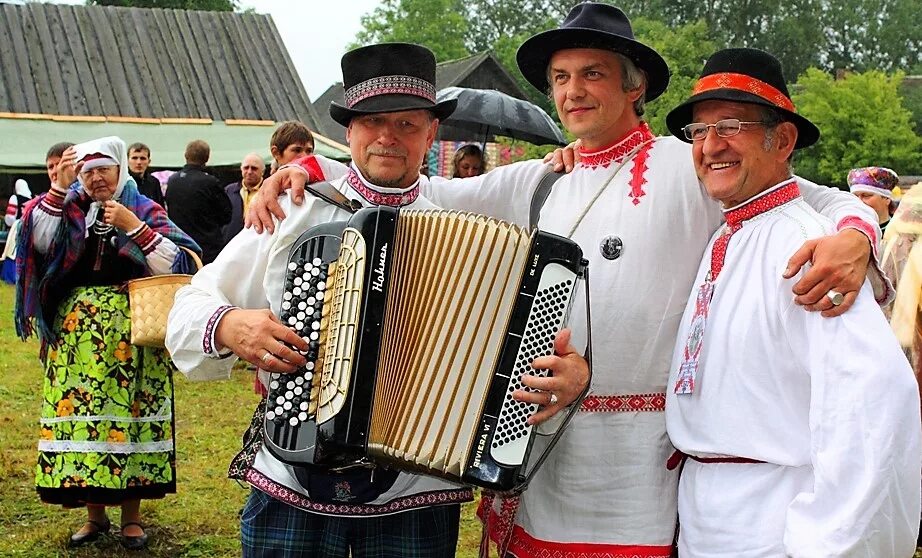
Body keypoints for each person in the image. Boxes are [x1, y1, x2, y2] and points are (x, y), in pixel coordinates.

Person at [248, 5, 886, 556]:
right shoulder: (533, 181)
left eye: (591, 74)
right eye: (560, 78)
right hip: (537, 451)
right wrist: (305, 173)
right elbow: (413, 187)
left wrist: (859, 232)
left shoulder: (685, 162)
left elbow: (802, 195)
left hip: (636, 463)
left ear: (634, 88)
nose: (573, 90)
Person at [167, 42, 587, 558]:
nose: (388, 137)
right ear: (349, 132)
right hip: (292, 484)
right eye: (372, 122)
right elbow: (190, 303)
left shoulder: (473, 237)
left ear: (432, 134)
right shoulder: (295, 210)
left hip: (419, 492)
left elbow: (520, 350)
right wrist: (231, 325)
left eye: (408, 124)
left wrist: (560, 372)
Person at [663, 47, 921, 556]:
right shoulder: (726, 232)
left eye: (730, 126)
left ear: (782, 140)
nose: (710, 146)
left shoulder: (807, 246)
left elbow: (876, 404)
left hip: (774, 522)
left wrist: (825, 540)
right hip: (702, 513)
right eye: (699, 132)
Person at [13, 136, 200, 550]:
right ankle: (93, 516)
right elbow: (37, 243)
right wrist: (59, 189)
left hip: (132, 334)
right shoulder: (70, 209)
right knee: (86, 421)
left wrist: (134, 229)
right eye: (88, 170)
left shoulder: (143, 208)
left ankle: (131, 518)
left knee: (129, 419)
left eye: (104, 169)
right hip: (77, 340)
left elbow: (184, 261)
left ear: (119, 169)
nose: (96, 178)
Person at [166, 139, 231, 264]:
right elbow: (226, 215)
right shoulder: (210, 182)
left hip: (180, 246)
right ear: (207, 158)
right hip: (208, 249)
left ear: (185, 155)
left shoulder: (172, 180)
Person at [223, 153, 265, 245]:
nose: (249, 172)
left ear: (262, 171)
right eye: (246, 168)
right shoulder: (229, 191)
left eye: (254, 168)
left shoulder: (268, 192)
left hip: (258, 243)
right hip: (231, 244)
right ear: (241, 169)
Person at [848, 166, 899, 233]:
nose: (859, 201)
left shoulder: (901, 232)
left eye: (866, 195)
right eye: (855, 196)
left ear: (887, 199)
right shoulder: (846, 231)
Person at [2, 178, 33, 283]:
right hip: (29, 228)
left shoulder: (15, 198)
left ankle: (11, 276)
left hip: (17, 227)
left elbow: (10, 218)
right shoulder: (32, 198)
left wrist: (9, 223)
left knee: (12, 250)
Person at [127, 142, 166, 207]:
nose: (139, 162)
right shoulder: (120, 182)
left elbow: (160, 211)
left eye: (143, 158)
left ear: (149, 161)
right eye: (134, 158)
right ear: (127, 161)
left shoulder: (154, 183)